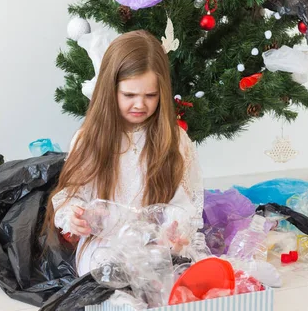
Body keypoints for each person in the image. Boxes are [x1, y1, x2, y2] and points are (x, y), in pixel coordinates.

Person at [44, 30, 204, 275]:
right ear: (110, 90)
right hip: (105, 245)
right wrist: (75, 216)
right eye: (129, 95)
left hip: (155, 244)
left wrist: (175, 232)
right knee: (112, 274)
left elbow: (183, 204)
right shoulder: (90, 138)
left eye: (150, 95)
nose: (140, 104)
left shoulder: (174, 139)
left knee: (180, 274)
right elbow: (72, 195)